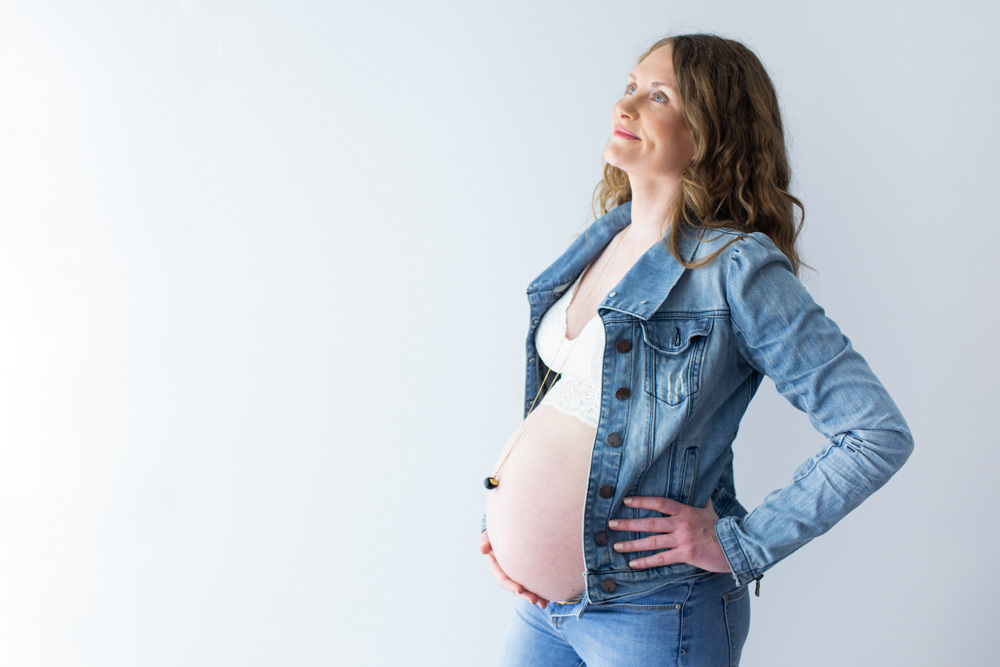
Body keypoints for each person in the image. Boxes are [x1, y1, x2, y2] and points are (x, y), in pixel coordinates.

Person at [478, 33, 913, 666]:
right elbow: (565, 409)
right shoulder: (598, 243)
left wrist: (740, 544)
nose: (624, 108)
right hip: (544, 611)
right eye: (629, 87)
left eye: (658, 96)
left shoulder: (735, 268)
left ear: (712, 132)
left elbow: (875, 432)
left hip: (653, 612)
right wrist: (504, 524)